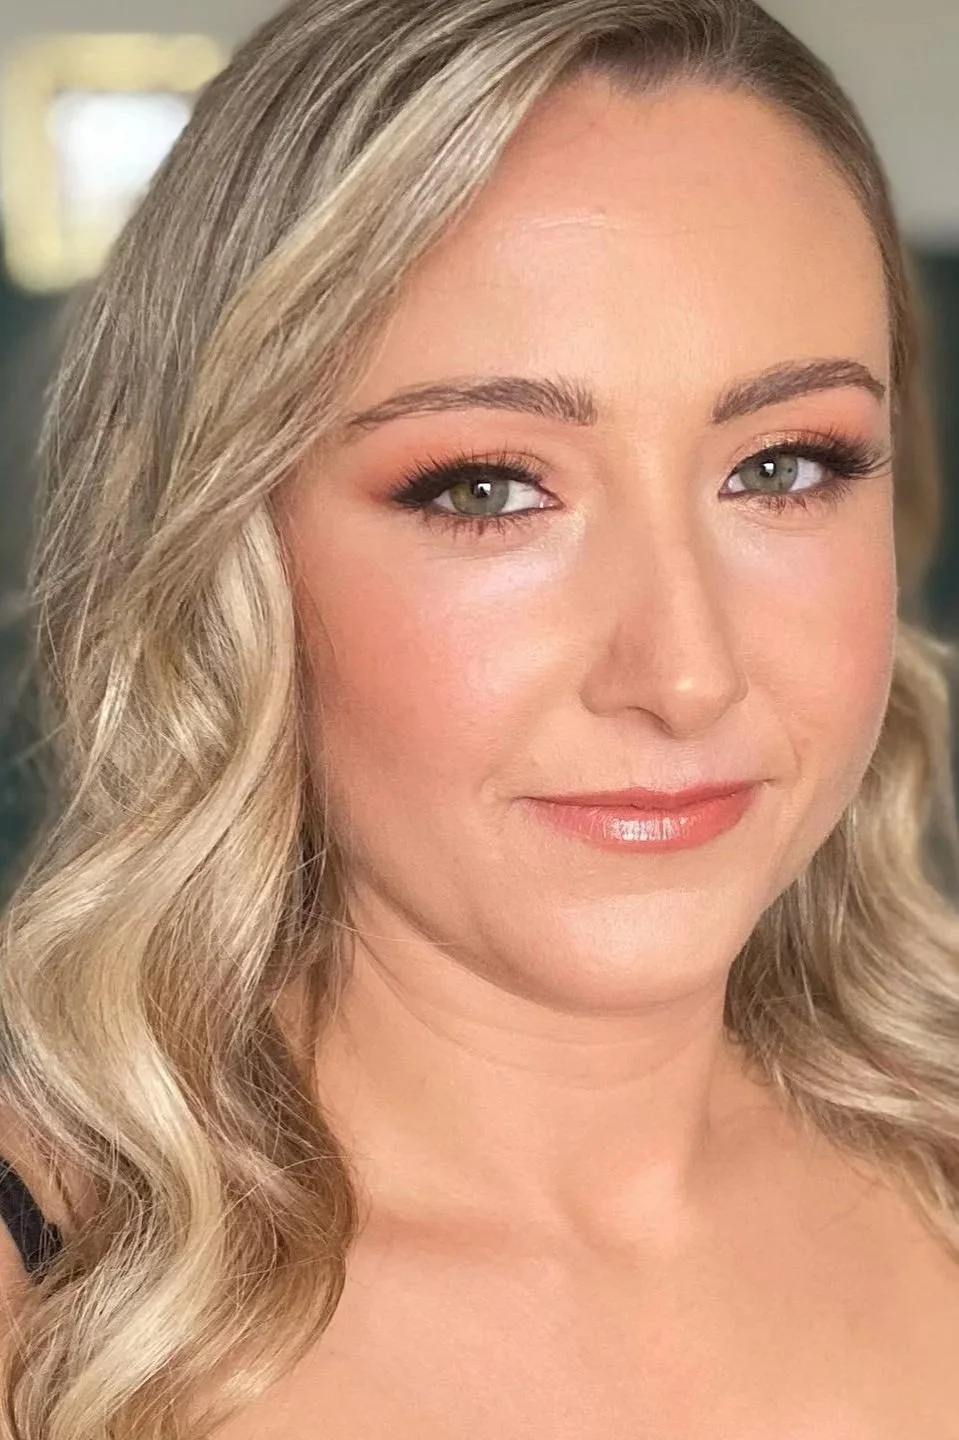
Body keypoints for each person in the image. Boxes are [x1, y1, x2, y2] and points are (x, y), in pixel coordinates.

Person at [0, 0, 958, 1435]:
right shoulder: (52, 1316)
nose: (684, 673)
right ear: (227, 545)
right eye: (487, 488)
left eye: (782, 467)